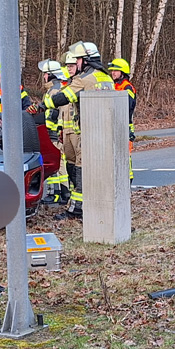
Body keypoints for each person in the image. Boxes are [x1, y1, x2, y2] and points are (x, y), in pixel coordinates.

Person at [44, 41, 114, 219]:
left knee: (80, 171)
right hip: (105, 131)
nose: (75, 65)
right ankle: (93, 205)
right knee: (93, 171)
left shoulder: (85, 79)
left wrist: (42, 104)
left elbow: (62, 98)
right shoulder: (105, 78)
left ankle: (77, 210)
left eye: (77, 60)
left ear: (86, 60)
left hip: (88, 133)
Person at [37, 59, 71, 205]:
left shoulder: (55, 90)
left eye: (45, 74)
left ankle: (62, 192)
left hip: (54, 133)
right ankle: (56, 192)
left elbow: (56, 112)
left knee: (58, 162)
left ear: (50, 75)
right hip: (52, 132)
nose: (44, 76)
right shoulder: (53, 89)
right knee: (55, 162)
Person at [108, 58, 137, 180]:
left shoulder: (127, 87)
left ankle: (127, 181)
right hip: (113, 125)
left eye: (116, 70)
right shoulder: (113, 86)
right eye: (112, 71)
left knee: (125, 156)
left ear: (123, 72)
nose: (113, 73)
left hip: (125, 126)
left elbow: (128, 106)